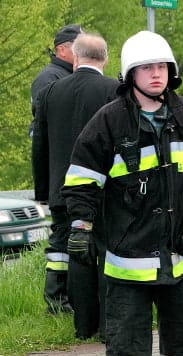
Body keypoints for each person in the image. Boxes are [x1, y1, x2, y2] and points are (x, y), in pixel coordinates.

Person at [62, 31, 183, 356]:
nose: (156, 75)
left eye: (162, 68)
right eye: (147, 68)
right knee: (126, 335)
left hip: (179, 253)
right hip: (128, 254)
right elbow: (82, 179)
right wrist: (81, 226)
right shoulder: (110, 121)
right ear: (129, 75)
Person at [32, 34, 119, 331]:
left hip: (61, 187)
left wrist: (43, 190)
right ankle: (107, 322)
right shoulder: (114, 90)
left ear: (77, 57)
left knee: (71, 248)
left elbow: (40, 146)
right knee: (106, 249)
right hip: (103, 189)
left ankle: (82, 324)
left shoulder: (51, 92)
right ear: (105, 59)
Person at [31, 25, 82, 124]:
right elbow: (44, 120)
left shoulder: (77, 73)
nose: (85, 51)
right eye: (80, 47)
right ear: (62, 50)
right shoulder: (47, 77)